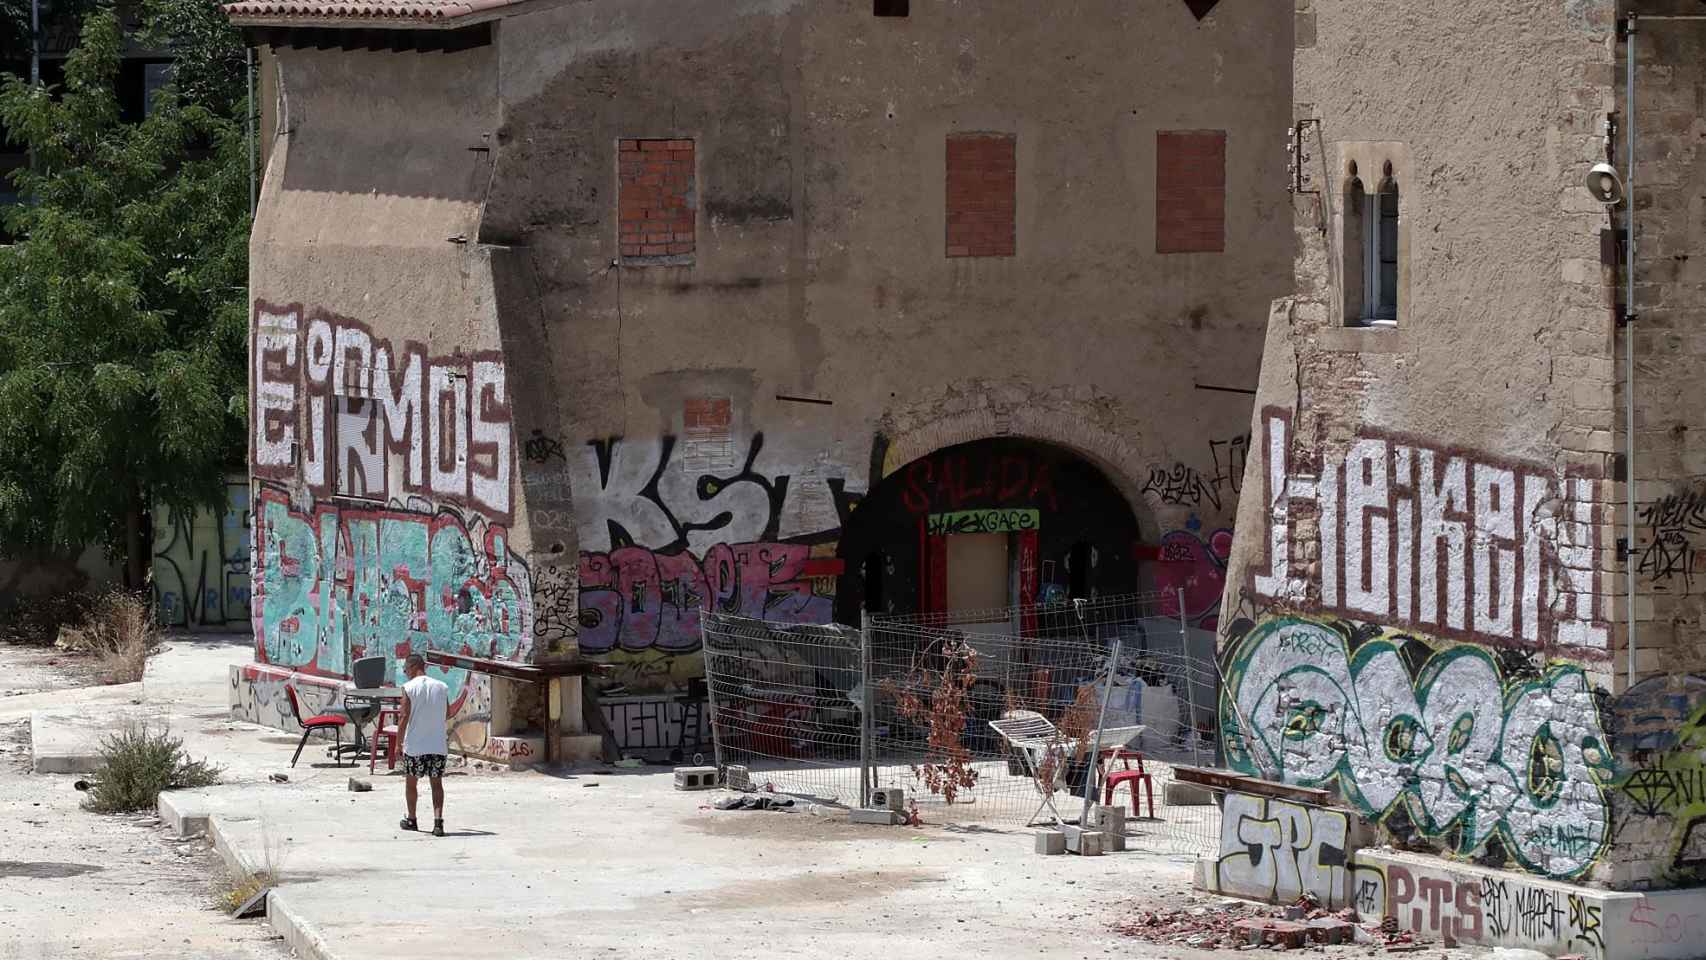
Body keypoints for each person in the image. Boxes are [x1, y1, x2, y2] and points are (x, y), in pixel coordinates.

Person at [396, 653, 450, 837]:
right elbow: (447, 712)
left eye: (405, 670)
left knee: (411, 783)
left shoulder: (408, 688)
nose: (405, 674)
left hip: (415, 746)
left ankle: (412, 819)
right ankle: (438, 823)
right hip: (437, 745)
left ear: (412, 667)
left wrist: (398, 744)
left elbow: (403, 717)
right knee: (436, 784)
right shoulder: (442, 687)